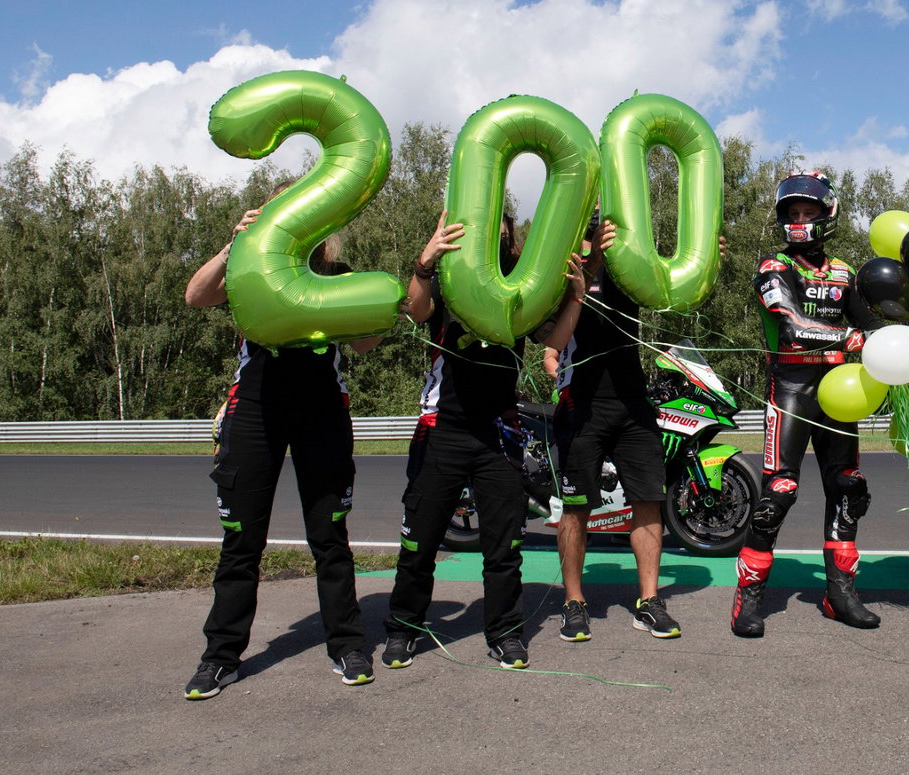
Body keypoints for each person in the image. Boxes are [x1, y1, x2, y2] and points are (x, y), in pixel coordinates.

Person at [182, 197, 380, 700]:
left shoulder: (336, 270)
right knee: (242, 542)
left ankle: (348, 645)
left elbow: (363, 345)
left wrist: (380, 306)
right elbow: (196, 296)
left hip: (321, 411)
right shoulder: (252, 259)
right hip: (254, 409)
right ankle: (220, 656)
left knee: (329, 537)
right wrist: (232, 246)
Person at [732, 171, 885, 639]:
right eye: (792, 214)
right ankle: (748, 597)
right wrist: (852, 338)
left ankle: (840, 593)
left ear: (827, 214)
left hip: (840, 389)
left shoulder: (844, 272)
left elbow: (874, 327)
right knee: (778, 494)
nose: (800, 222)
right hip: (792, 385)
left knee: (848, 488)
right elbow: (794, 327)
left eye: (808, 213)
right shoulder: (772, 266)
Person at [381, 212, 532, 671]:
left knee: (503, 548)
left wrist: (576, 290)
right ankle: (403, 629)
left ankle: (505, 633)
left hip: (500, 432)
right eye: (489, 231)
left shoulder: (523, 284)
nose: (496, 239)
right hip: (441, 426)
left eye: (503, 235)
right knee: (419, 542)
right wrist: (425, 263)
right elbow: (416, 309)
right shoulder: (447, 278)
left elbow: (548, 335)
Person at [540, 214, 679, 642]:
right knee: (576, 508)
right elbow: (550, 341)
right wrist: (592, 263)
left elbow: (673, 292)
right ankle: (574, 602)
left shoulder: (629, 265)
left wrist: (707, 256)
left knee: (648, 501)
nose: (604, 227)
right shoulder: (559, 267)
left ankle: (649, 601)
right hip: (582, 404)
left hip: (633, 404)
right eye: (594, 222)